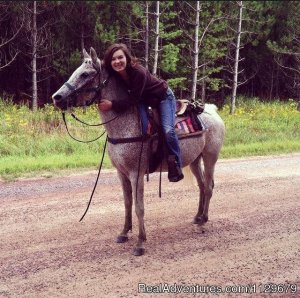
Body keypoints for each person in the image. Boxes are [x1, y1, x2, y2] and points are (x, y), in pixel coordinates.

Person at [98, 43, 183, 182]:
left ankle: (175, 163)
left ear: (127, 58)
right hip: (144, 99)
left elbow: (133, 99)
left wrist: (112, 104)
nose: (117, 62)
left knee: (168, 130)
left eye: (120, 57)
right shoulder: (115, 73)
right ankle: (147, 159)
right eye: (113, 59)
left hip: (162, 97)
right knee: (143, 130)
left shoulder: (139, 72)